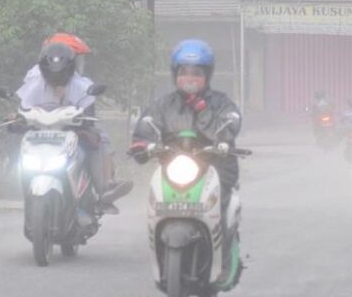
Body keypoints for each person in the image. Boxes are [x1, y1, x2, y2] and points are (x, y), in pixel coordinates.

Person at [128, 39, 242, 281]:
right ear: (175, 74)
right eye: (184, 72)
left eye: (197, 73)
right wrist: (143, 145)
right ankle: (161, 255)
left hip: (215, 163)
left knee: (220, 203)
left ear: (207, 75)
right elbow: (146, 126)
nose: (190, 78)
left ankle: (223, 261)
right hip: (174, 165)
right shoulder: (163, 105)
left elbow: (231, 119)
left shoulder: (219, 103)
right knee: (156, 202)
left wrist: (221, 136)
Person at [16, 33, 132, 214]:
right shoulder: (34, 80)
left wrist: (82, 122)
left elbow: (89, 114)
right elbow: (22, 107)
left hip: (72, 133)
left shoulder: (81, 84)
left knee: (99, 138)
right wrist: (16, 119)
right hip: (40, 135)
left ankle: (105, 187)